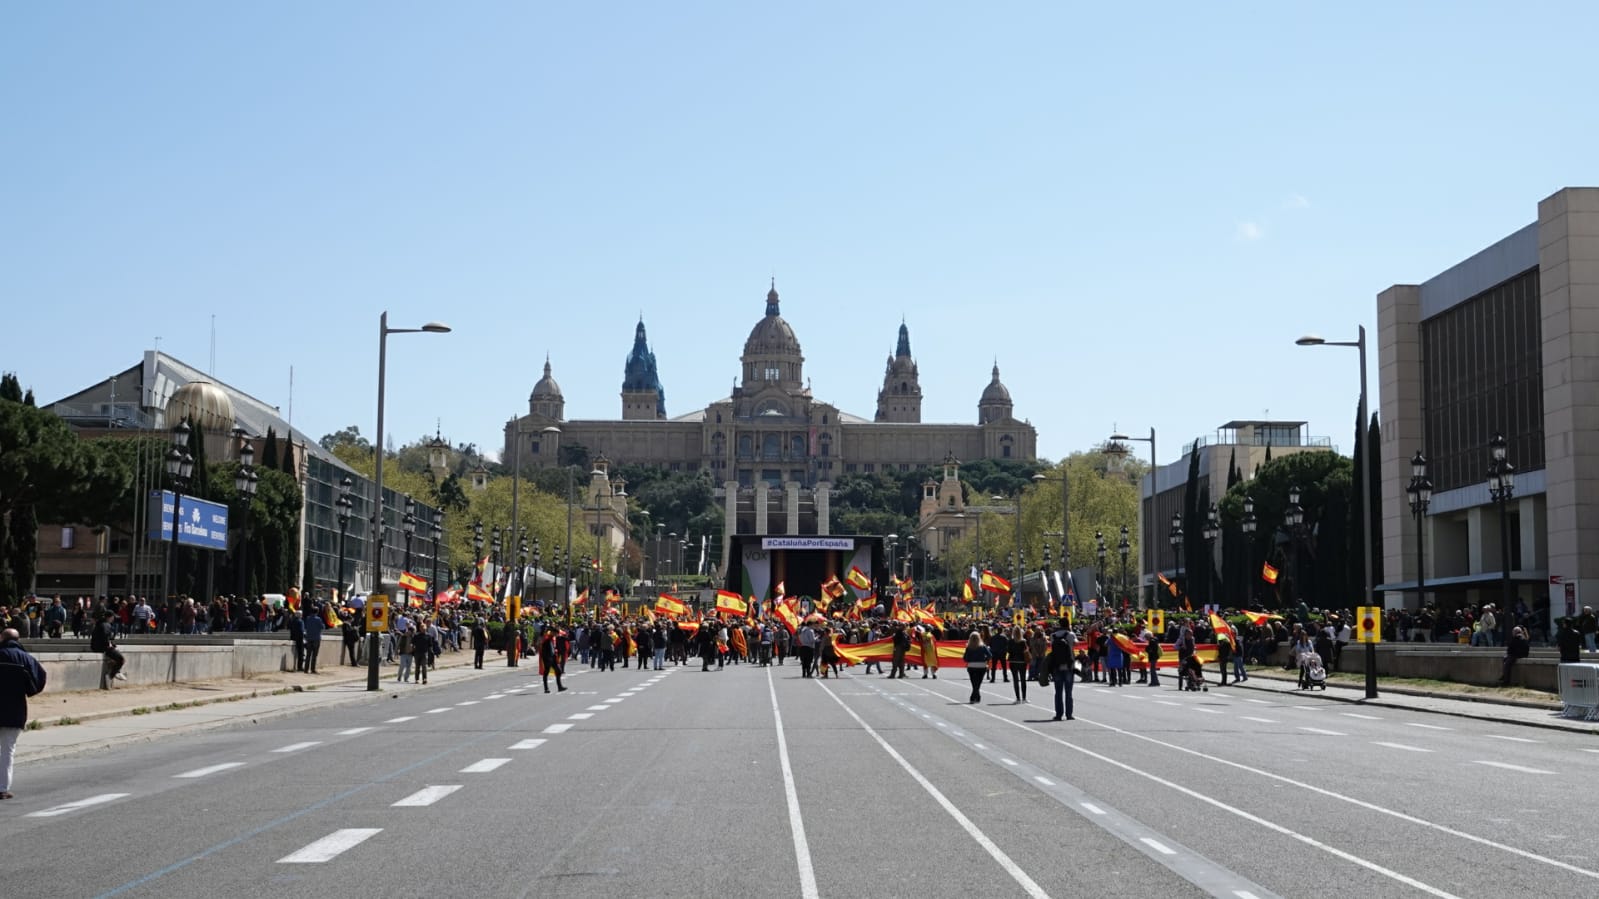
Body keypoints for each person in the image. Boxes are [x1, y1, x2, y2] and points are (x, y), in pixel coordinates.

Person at [0, 628, 48, 800]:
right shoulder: (26, 658)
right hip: (15, 709)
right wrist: (27, 690)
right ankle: (2, 788)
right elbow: (40, 679)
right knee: (7, 751)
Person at [1048, 619, 1077, 720]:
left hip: (1057, 666)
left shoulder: (1053, 635)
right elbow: (1075, 644)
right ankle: (1069, 714)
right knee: (1069, 692)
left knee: (1058, 691)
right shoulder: (1071, 634)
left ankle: (1058, 714)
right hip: (1069, 666)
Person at [90, 610, 126, 688]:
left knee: (114, 656)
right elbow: (105, 638)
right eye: (113, 617)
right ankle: (111, 676)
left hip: (95, 647)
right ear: (110, 617)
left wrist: (111, 644)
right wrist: (110, 645)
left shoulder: (99, 623)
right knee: (121, 659)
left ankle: (116, 670)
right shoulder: (106, 625)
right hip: (102, 647)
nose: (113, 619)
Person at [963, 632, 991, 703]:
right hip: (982, 666)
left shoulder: (969, 647)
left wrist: (970, 660)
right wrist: (984, 659)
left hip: (971, 666)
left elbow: (965, 658)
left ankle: (974, 696)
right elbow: (990, 655)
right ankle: (976, 696)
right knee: (978, 682)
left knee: (973, 682)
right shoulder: (983, 646)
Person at [539, 626, 567, 693]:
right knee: (546, 672)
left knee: (559, 671)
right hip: (547, 658)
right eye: (556, 633)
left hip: (553, 657)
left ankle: (560, 687)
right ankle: (546, 688)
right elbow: (543, 650)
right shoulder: (547, 638)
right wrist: (546, 658)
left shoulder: (552, 638)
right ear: (553, 632)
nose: (557, 635)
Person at [1007, 626, 1029, 702]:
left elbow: (1009, 651)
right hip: (1022, 662)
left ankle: (1017, 698)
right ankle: (1024, 698)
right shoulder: (1023, 641)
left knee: (1015, 680)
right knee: (1023, 680)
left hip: (1013, 661)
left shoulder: (1011, 641)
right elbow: (1026, 651)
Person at [410, 620, 434, 684]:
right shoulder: (416, 635)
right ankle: (417, 679)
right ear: (420, 629)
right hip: (417, 653)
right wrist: (412, 650)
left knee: (424, 667)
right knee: (417, 667)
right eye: (422, 628)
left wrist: (431, 654)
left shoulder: (428, 636)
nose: (423, 629)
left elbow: (430, 646)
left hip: (424, 653)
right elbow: (412, 644)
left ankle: (424, 679)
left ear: (426, 628)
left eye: (424, 628)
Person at [303, 604, 325, 674]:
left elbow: (306, 627)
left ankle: (306, 669)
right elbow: (322, 627)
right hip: (316, 638)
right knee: (314, 655)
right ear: (317, 612)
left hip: (309, 638)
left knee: (308, 654)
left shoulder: (308, 618)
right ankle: (313, 669)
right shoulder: (318, 619)